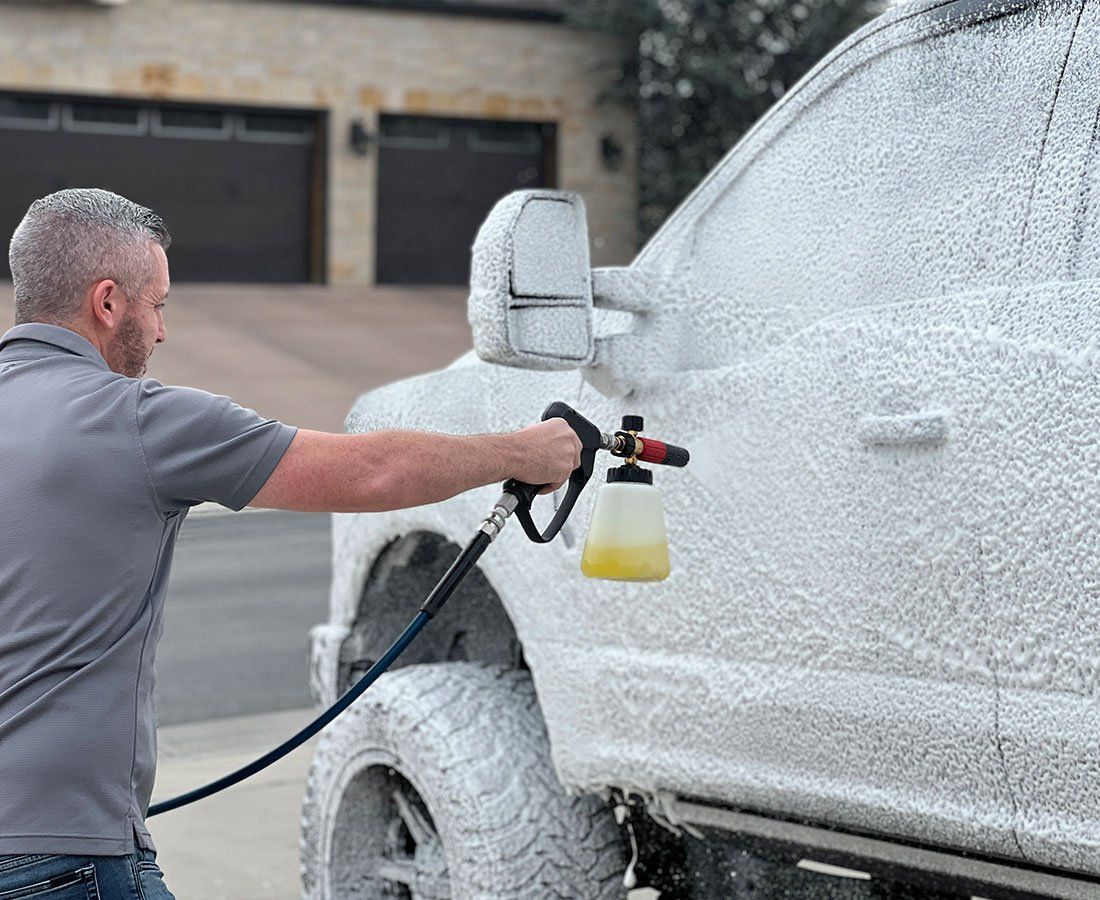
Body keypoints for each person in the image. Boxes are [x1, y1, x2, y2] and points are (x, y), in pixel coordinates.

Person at [0, 188, 581, 899]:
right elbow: (372, 471)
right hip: (64, 857)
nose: (161, 332)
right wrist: (524, 451)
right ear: (108, 301)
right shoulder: (135, 421)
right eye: (158, 305)